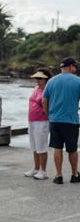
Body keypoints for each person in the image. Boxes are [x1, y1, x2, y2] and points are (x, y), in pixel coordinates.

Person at [42, 57, 80, 185]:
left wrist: (48, 115)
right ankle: (74, 175)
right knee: (72, 149)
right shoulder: (78, 81)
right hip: (71, 121)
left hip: (55, 120)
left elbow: (44, 100)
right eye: (75, 66)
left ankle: (58, 176)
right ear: (70, 67)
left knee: (57, 148)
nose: (76, 69)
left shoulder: (51, 81)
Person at [25, 68, 53, 180]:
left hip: (42, 121)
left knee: (41, 146)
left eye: (40, 78)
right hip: (32, 120)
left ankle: (43, 171)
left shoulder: (49, 90)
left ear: (46, 79)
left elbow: (49, 106)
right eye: (36, 78)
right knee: (34, 146)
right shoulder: (36, 88)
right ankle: (36, 168)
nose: (37, 80)